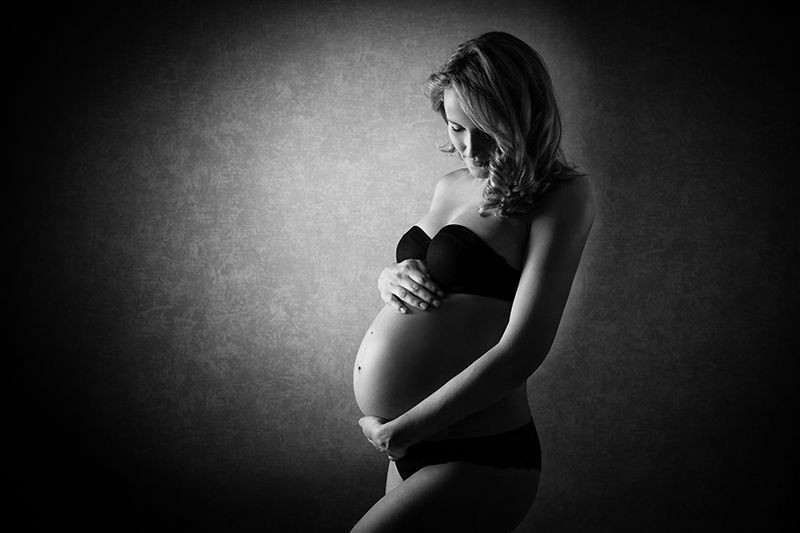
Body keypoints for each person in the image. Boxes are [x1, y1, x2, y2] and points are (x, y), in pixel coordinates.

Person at [351, 31, 594, 532]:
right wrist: (390, 276)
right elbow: (440, 273)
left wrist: (405, 430)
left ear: (525, 117)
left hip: (479, 453)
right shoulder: (449, 184)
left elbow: (523, 349)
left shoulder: (562, 195)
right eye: (458, 127)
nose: (470, 147)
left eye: (487, 128)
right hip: (411, 445)